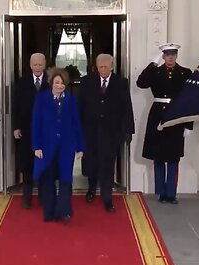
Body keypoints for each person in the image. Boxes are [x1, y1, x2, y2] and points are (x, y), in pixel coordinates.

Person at [136, 43, 193, 204]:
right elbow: (141, 83)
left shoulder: (185, 73)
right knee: (159, 156)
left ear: (176, 56)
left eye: (173, 54)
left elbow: (189, 99)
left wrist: (188, 124)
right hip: (158, 116)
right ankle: (161, 192)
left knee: (174, 157)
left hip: (176, 115)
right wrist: (153, 64)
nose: (170, 57)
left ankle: (171, 194)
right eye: (167, 54)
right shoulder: (156, 72)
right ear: (163, 56)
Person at [79, 54, 135, 212]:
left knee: (108, 165)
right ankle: (91, 189)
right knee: (91, 162)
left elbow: (127, 107)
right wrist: (77, 130)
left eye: (106, 67)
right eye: (100, 67)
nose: (103, 70)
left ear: (111, 66)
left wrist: (128, 130)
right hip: (90, 131)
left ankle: (107, 198)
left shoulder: (120, 82)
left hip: (112, 132)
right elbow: (80, 107)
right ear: (96, 67)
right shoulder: (87, 81)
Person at [32, 68, 85, 224]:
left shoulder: (71, 100)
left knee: (65, 180)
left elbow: (76, 124)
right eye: (57, 82)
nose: (59, 85)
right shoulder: (42, 99)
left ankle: (64, 211)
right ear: (51, 83)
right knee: (48, 180)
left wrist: (80, 147)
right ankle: (49, 212)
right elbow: (36, 123)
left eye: (62, 83)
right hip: (46, 147)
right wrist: (36, 146)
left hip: (66, 147)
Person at [13, 53, 49, 209]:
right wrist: (16, 127)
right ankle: (27, 197)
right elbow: (15, 106)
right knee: (27, 165)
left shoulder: (52, 81)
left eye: (40, 65)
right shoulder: (22, 82)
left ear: (44, 65)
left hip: (46, 132)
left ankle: (43, 197)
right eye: (35, 65)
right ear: (30, 65)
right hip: (26, 130)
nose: (37, 68)